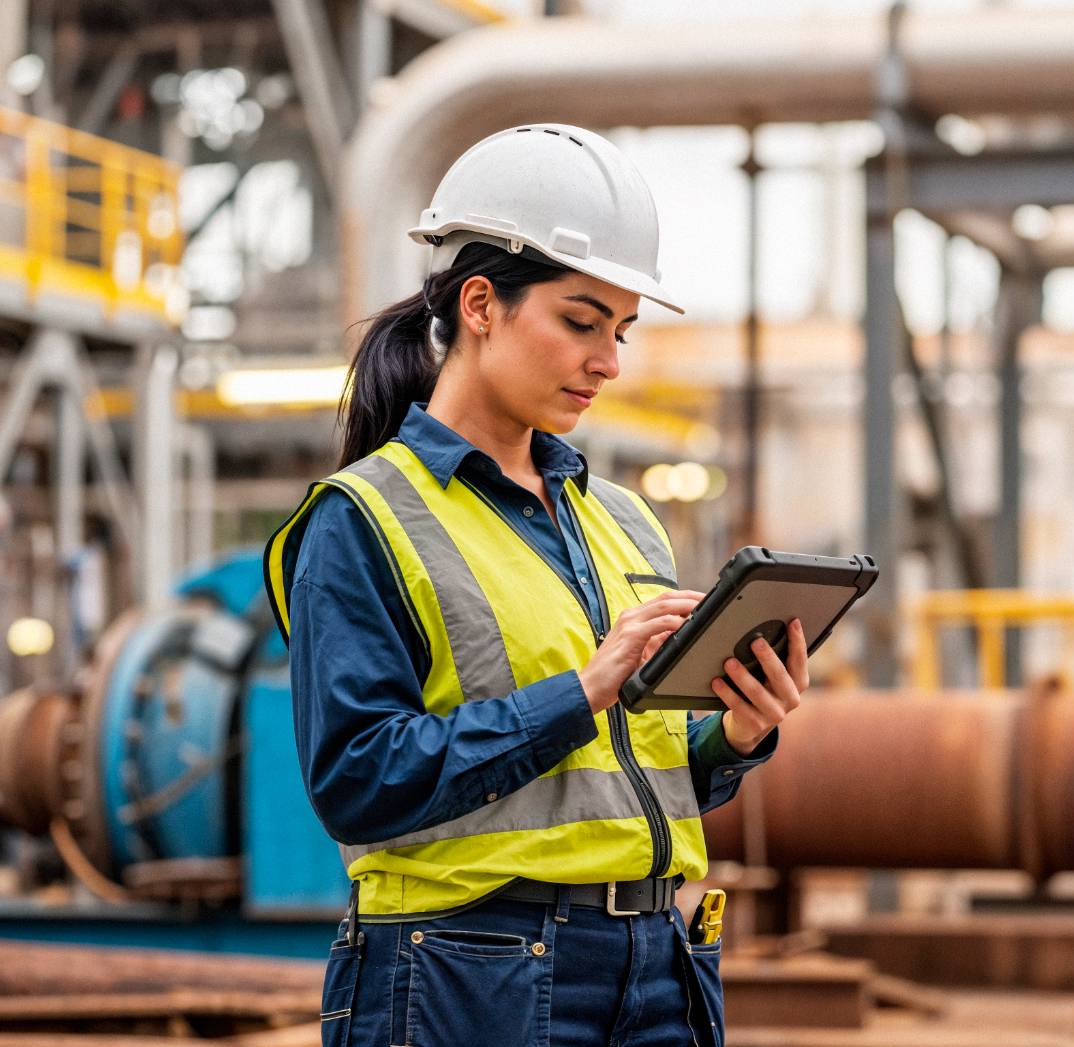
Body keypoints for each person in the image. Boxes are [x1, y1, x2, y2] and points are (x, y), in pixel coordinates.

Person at [263, 123, 806, 1047]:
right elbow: (357, 779)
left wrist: (735, 736)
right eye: (581, 322)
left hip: (656, 960)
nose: (609, 362)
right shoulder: (365, 518)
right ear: (481, 304)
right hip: (464, 976)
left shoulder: (623, 522)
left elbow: (636, 780)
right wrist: (585, 689)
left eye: (622, 330)